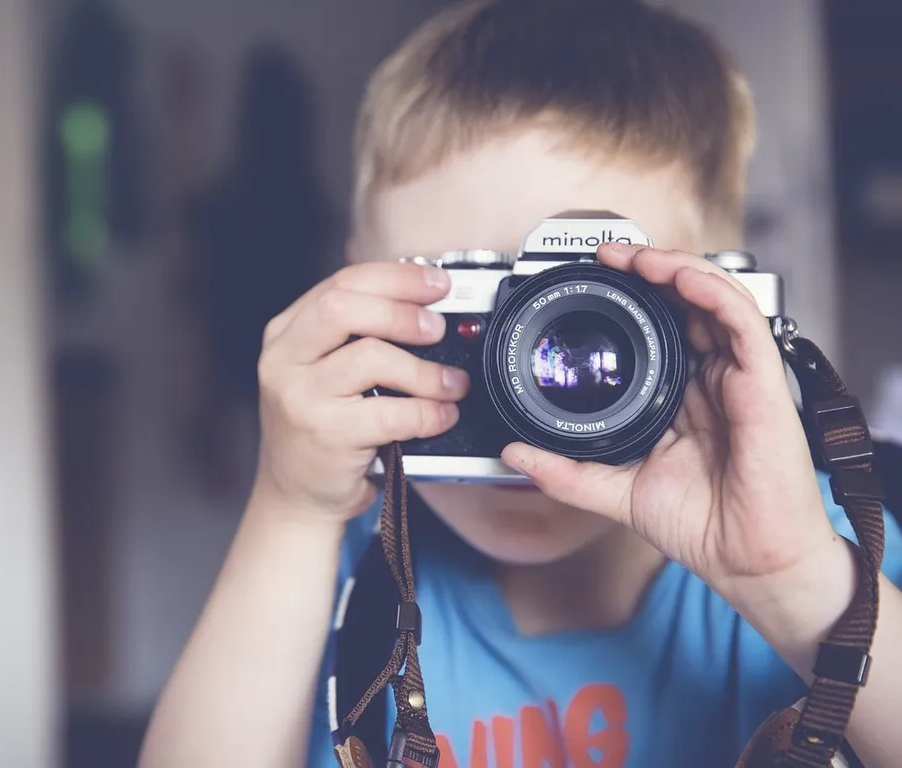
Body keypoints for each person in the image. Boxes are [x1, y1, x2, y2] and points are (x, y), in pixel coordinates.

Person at [138, 1, 902, 766]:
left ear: (716, 305)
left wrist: (796, 586)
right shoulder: (340, 579)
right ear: (357, 292)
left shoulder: (814, 548)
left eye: (591, 314)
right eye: (474, 308)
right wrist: (292, 505)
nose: (527, 396)